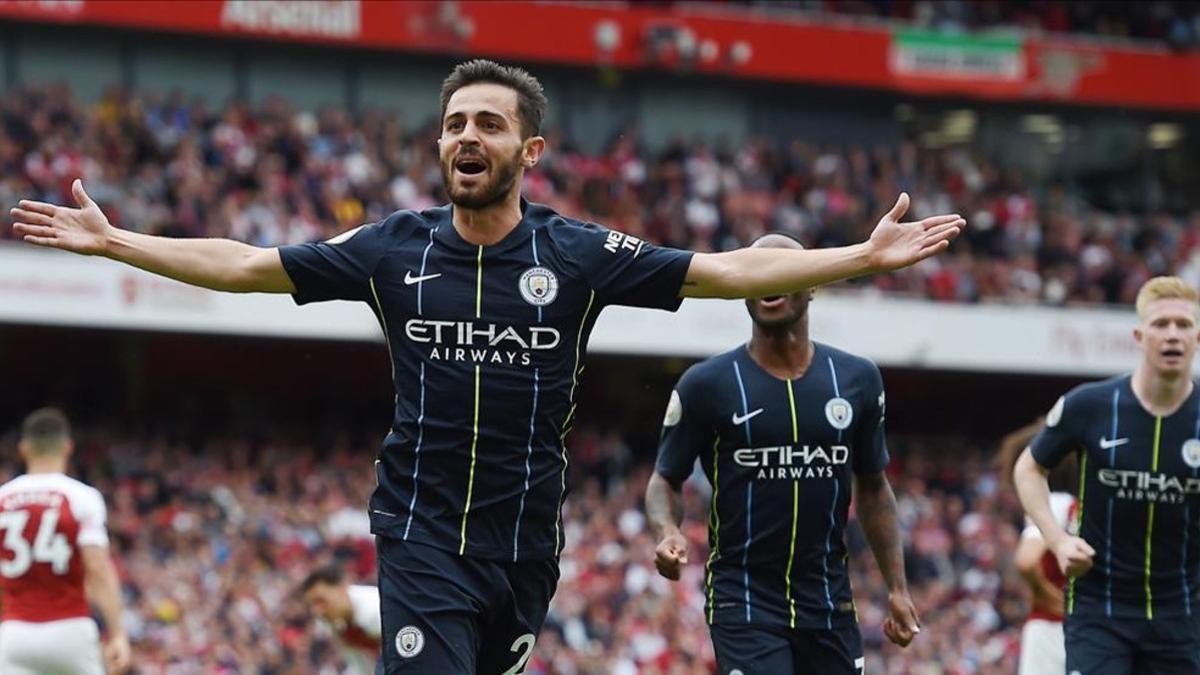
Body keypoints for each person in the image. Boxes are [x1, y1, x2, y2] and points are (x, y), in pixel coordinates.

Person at [11, 59, 964, 673]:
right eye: (455, 122)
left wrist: (858, 257)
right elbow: (247, 266)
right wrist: (119, 243)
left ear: (530, 150)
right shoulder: (395, 247)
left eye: (489, 125)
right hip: (420, 534)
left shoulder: (579, 254)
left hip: (526, 549)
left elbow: (728, 271)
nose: (468, 135)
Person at [644, 233, 918, 675]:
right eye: (759, 271)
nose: (770, 282)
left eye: (784, 269)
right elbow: (665, 478)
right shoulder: (706, 384)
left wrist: (898, 588)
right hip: (743, 599)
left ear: (812, 284)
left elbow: (873, 487)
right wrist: (667, 530)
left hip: (828, 600)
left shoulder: (857, 379)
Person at [1014, 276, 1200, 675]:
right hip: (1100, 609)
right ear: (1139, 335)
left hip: (1184, 614)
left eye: (1183, 326)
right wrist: (1058, 540)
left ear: (1197, 338)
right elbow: (1029, 468)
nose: (1172, 335)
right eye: (1161, 324)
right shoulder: (1090, 405)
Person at [0, 408, 130, 674]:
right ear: (68, 447)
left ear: (24, 449)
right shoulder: (82, 497)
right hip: (70, 630)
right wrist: (117, 633)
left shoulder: (3, 499)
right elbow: (97, 569)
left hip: (15, 632)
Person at [997, 418, 1077, 675]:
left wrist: (1049, 599)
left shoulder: (1053, 503)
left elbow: (1026, 560)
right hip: (1078, 631)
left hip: (1049, 629)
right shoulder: (1078, 506)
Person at [300, 566, 382, 675]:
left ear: (342, 588)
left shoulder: (375, 610)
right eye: (312, 605)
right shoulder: (333, 621)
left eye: (320, 601)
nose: (317, 611)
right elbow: (357, 661)